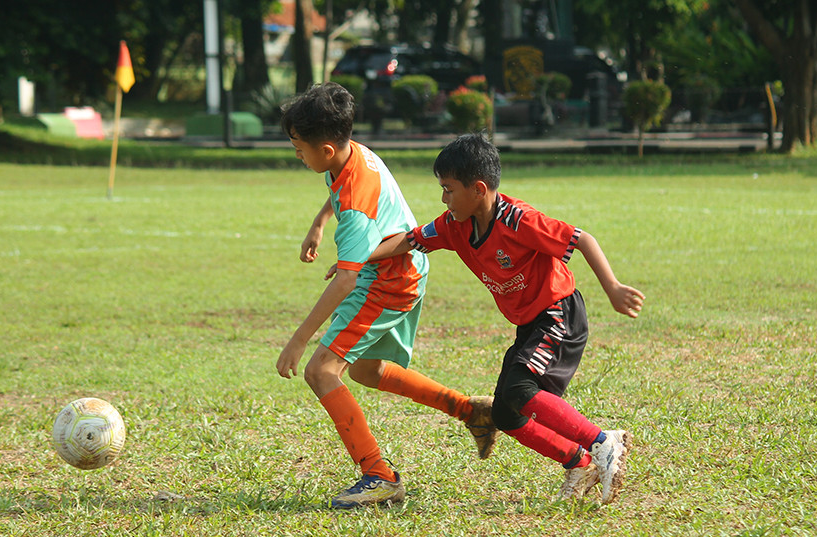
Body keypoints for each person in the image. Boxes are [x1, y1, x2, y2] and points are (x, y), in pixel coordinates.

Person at [369, 133, 645, 504]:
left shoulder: (519, 220)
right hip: (530, 324)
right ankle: (579, 463)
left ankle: (603, 441)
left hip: (558, 314)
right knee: (505, 411)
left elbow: (581, 239)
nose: (443, 199)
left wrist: (611, 287)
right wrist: (355, 262)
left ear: (478, 189)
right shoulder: (453, 225)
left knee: (518, 391)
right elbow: (409, 240)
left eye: (448, 189)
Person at [275, 84, 497, 509]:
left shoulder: (357, 207)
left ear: (324, 147)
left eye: (298, 148)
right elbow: (336, 188)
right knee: (365, 371)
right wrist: (320, 222)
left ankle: (379, 475)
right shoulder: (350, 152)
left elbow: (344, 283)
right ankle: (471, 411)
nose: (297, 155)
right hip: (401, 270)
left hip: (389, 281)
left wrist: (298, 340)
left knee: (321, 371)